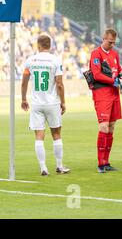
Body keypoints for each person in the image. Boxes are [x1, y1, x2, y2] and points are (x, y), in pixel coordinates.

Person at [21, 34, 70, 176]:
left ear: (38, 45)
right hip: (52, 103)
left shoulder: (30, 60)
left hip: (36, 104)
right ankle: (60, 167)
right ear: (50, 45)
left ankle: (43, 168)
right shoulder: (55, 60)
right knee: (56, 134)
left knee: (39, 136)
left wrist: (24, 99)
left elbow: (24, 82)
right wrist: (63, 102)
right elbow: (59, 84)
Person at [89, 28, 122, 173]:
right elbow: (97, 74)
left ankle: (106, 162)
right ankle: (100, 163)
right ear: (103, 39)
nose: (111, 45)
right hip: (102, 94)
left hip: (114, 93)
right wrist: (113, 81)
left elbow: (117, 69)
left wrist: (121, 75)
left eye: (113, 42)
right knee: (103, 127)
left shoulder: (115, 54)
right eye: (109, 42)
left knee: (111, 127)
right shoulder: (96, 53)